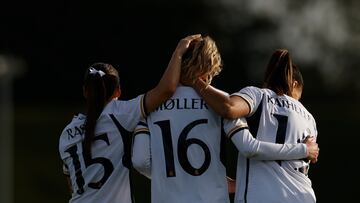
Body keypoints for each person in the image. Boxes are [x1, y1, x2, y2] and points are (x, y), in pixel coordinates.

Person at [131, 38, 319, 203]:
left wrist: (173, 177)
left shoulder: (151, 105)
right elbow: (248, 146)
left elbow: (140, 161)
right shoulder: (218, 103)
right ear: (210, 66)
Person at [58, 34, 201, 203]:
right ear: (118, 91)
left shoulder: (67, 132)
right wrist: (178, 51)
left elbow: (72, 184)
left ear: (85, 91)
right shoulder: (120, 113)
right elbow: (166, 90)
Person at [192, 49, 319, 203]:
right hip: (304, 196)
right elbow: (282, 171)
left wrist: (195, 80)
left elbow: (229, 108)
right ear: (294, 84)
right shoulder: (309, 119)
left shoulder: (259, 95)